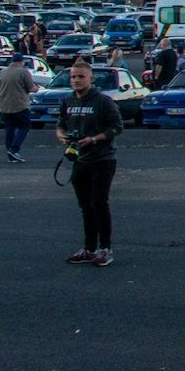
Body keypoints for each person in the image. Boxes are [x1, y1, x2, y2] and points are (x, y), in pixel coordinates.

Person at [57, 61, 123, 267]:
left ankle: (105, 248)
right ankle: (89, 248)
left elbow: (117, 127)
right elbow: (60, 124)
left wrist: (95, 138)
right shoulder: (68, 102)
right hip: (80, 159)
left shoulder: (103, 101)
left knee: (99, 203)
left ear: (91, 79)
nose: (76, 80)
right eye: (73, 77)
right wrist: (61, 135)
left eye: (81, 77)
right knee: (85, 206)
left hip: (102, 159)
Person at [0, 53, 38, 163]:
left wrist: (0, 97)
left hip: (4, 106)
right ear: (21, 62)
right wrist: (36, 88)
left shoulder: (2, 72)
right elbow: (31, 87)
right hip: (20, 105)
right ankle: (14, 148)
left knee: (9, 130)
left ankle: (10, 154)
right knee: (24, 127)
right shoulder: (23, 72)